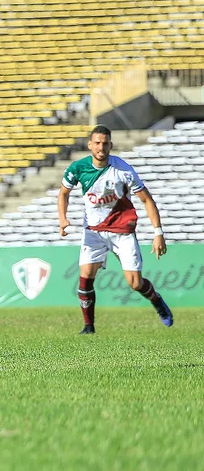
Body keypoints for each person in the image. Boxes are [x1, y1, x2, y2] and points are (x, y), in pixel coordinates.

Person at [58, 124, 172, 334]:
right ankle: (89, 327)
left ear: (111, 145)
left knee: (135, 283)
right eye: (98, 143)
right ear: (90, 145)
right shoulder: (78, 168)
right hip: (93, 231)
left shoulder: (122, 170)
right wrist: (63, 219)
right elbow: (63, 192)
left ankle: (157, 301)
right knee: (85, 278)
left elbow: (147, 200)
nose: (101, 147)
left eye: (105, 143)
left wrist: (158, 233)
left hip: (122, 231)